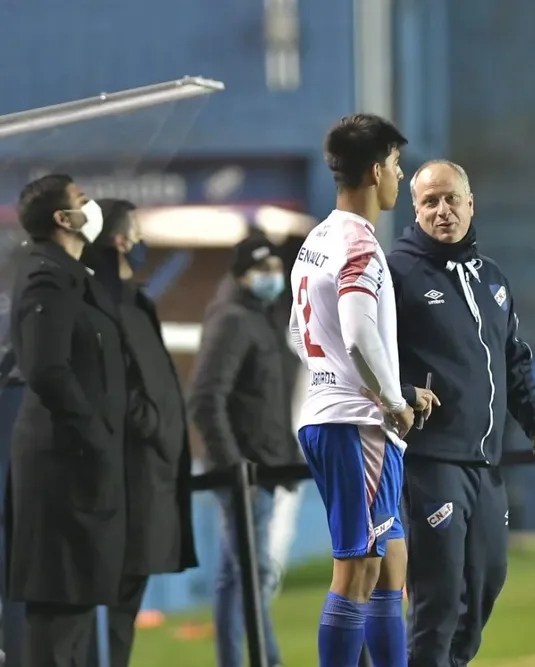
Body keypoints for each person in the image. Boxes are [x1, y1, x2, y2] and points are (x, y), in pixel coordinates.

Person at [388, 159, 535, 667]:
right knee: (437, 602)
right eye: (429, 201)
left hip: (487, 463)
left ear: (470, 203)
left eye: (451, 199)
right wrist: (400, 393)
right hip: (431, 460)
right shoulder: (396, 273)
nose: (442, 211)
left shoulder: (492, 278)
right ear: (415, 210)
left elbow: (514, 357)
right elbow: (362, 349)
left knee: (486, 584)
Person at [288, 113, 414, 667]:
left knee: (392, 564)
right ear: (373, 171)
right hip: (355, 425)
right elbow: (360, 331)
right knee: (358, 567)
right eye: (395, 164)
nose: (401, 176)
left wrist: (346, 378)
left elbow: (300, 333)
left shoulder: (315, 240)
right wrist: (392, 400)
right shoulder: (360, 245)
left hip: (332, 412)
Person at [5, 174, 130, 667]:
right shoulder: (45, 276)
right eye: (82, 201)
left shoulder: (76, 274)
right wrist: (96, 436)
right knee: (59, 615)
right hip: (62, 469)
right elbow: (46, 369)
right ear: (63, 219)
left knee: (76, 608)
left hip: (81, 466)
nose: (91, 207)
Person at [83, 199, 198, 666]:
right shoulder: (97, 303)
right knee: (104, 611)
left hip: (154, 475)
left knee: (126, 606)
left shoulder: (138, 301)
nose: (138, 242)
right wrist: (153, 426)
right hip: (124, 480)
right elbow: (112, 384)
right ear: (116, 239)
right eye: (132, 233)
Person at [188, 233, 301, 667]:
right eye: (262, 269)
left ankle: (245, 660)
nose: (273, 277)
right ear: (240, 274)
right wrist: (236, 468)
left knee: (239, 576)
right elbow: (204, 398)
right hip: (245, 473)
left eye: (276, 268)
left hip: (264, 469)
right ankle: (262, 660)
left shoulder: (265, 317)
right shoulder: (233, 319)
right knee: (247, 576)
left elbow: (268, 402)